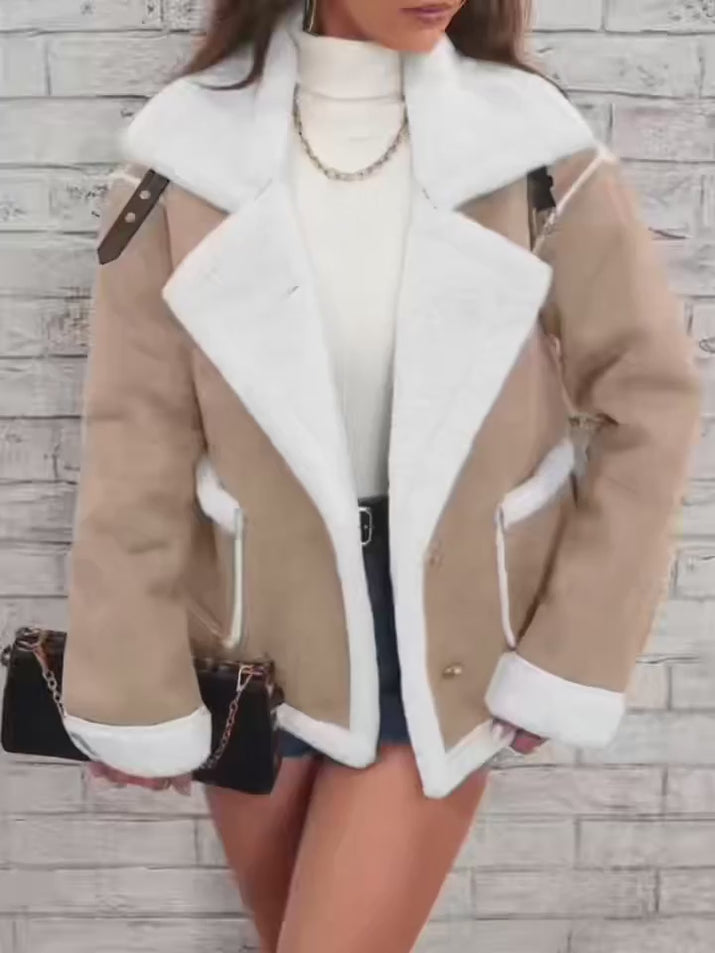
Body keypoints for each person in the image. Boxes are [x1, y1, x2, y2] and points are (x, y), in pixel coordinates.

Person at [60, 0, 701, 950]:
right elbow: (136, 441)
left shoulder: (533, 153)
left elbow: (649, 401)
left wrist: (574, 646)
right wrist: (130, 683)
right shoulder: (183, 158)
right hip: (253, 630)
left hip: (446, 633)